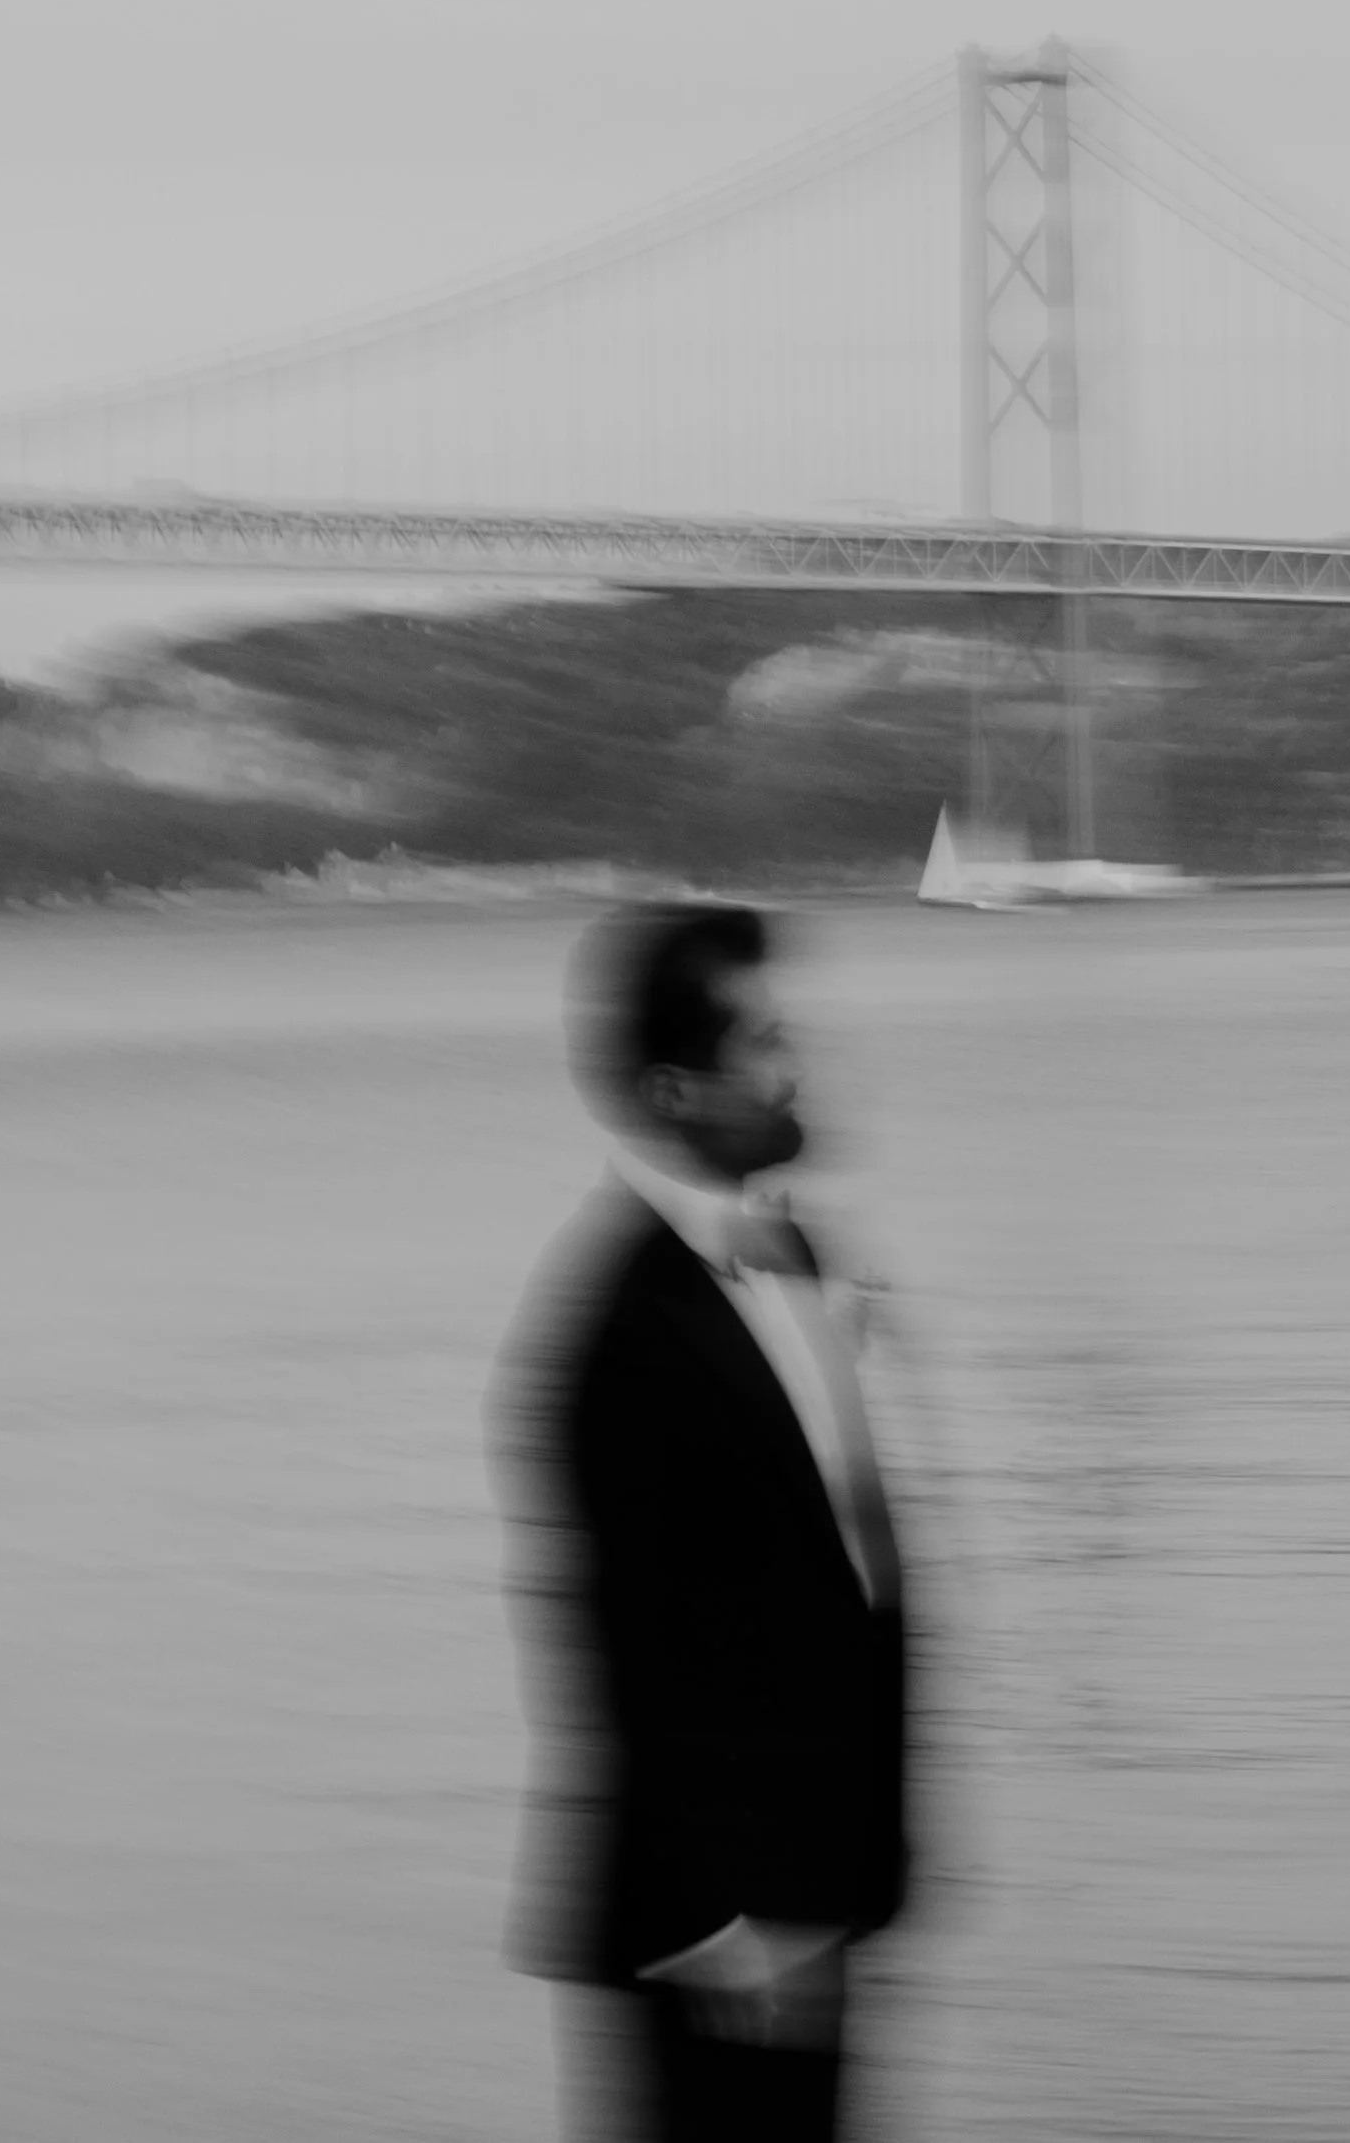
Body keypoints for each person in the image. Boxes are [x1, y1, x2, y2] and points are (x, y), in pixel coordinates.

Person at [493, 903, 909, 2143]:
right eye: (766, 1042)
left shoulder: (792, 1257)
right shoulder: (615, 1335)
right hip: (716, 1938)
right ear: (675, 1089)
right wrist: (728, 1919)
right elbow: (621, 1654)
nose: (799, 1068)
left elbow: (826, 1584)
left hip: (822, 1896)